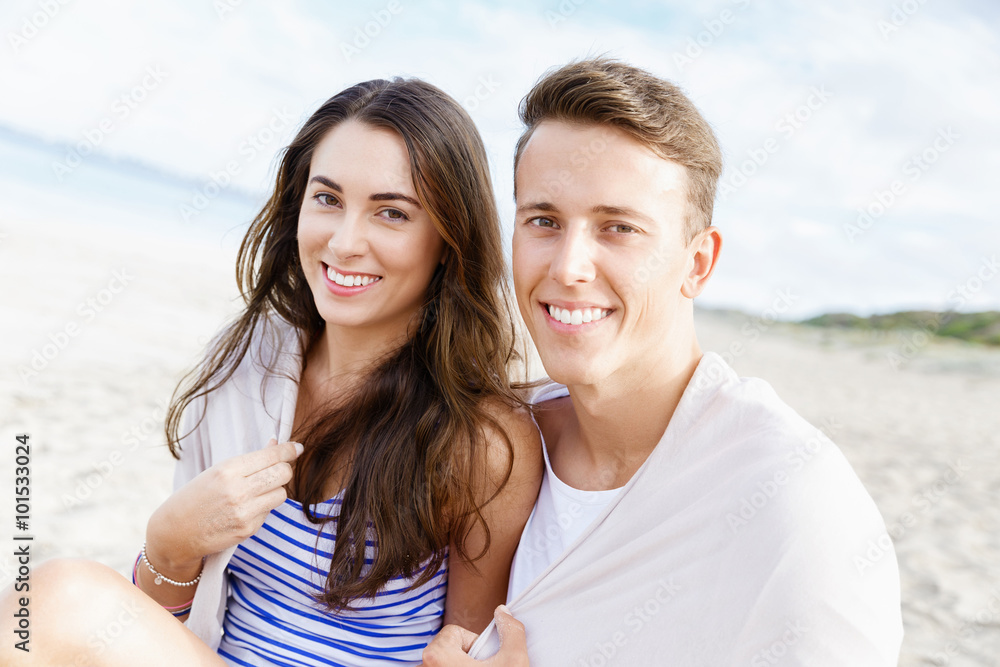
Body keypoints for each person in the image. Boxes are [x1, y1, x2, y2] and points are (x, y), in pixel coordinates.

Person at [0, 77, 542, 666]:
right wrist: (170, 547)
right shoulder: (248, 364)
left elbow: (466, 648)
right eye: (328, 199)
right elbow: (171, 622)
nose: (344, 240)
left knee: (60, 597)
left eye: (391, 213)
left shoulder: (481, 440)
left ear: (447, 241)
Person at [421, 58, 903, 666]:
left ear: (697, 263)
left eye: (618, 228)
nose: (568, 267)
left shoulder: (791, 499)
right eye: (543, 221)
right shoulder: (497, 444)